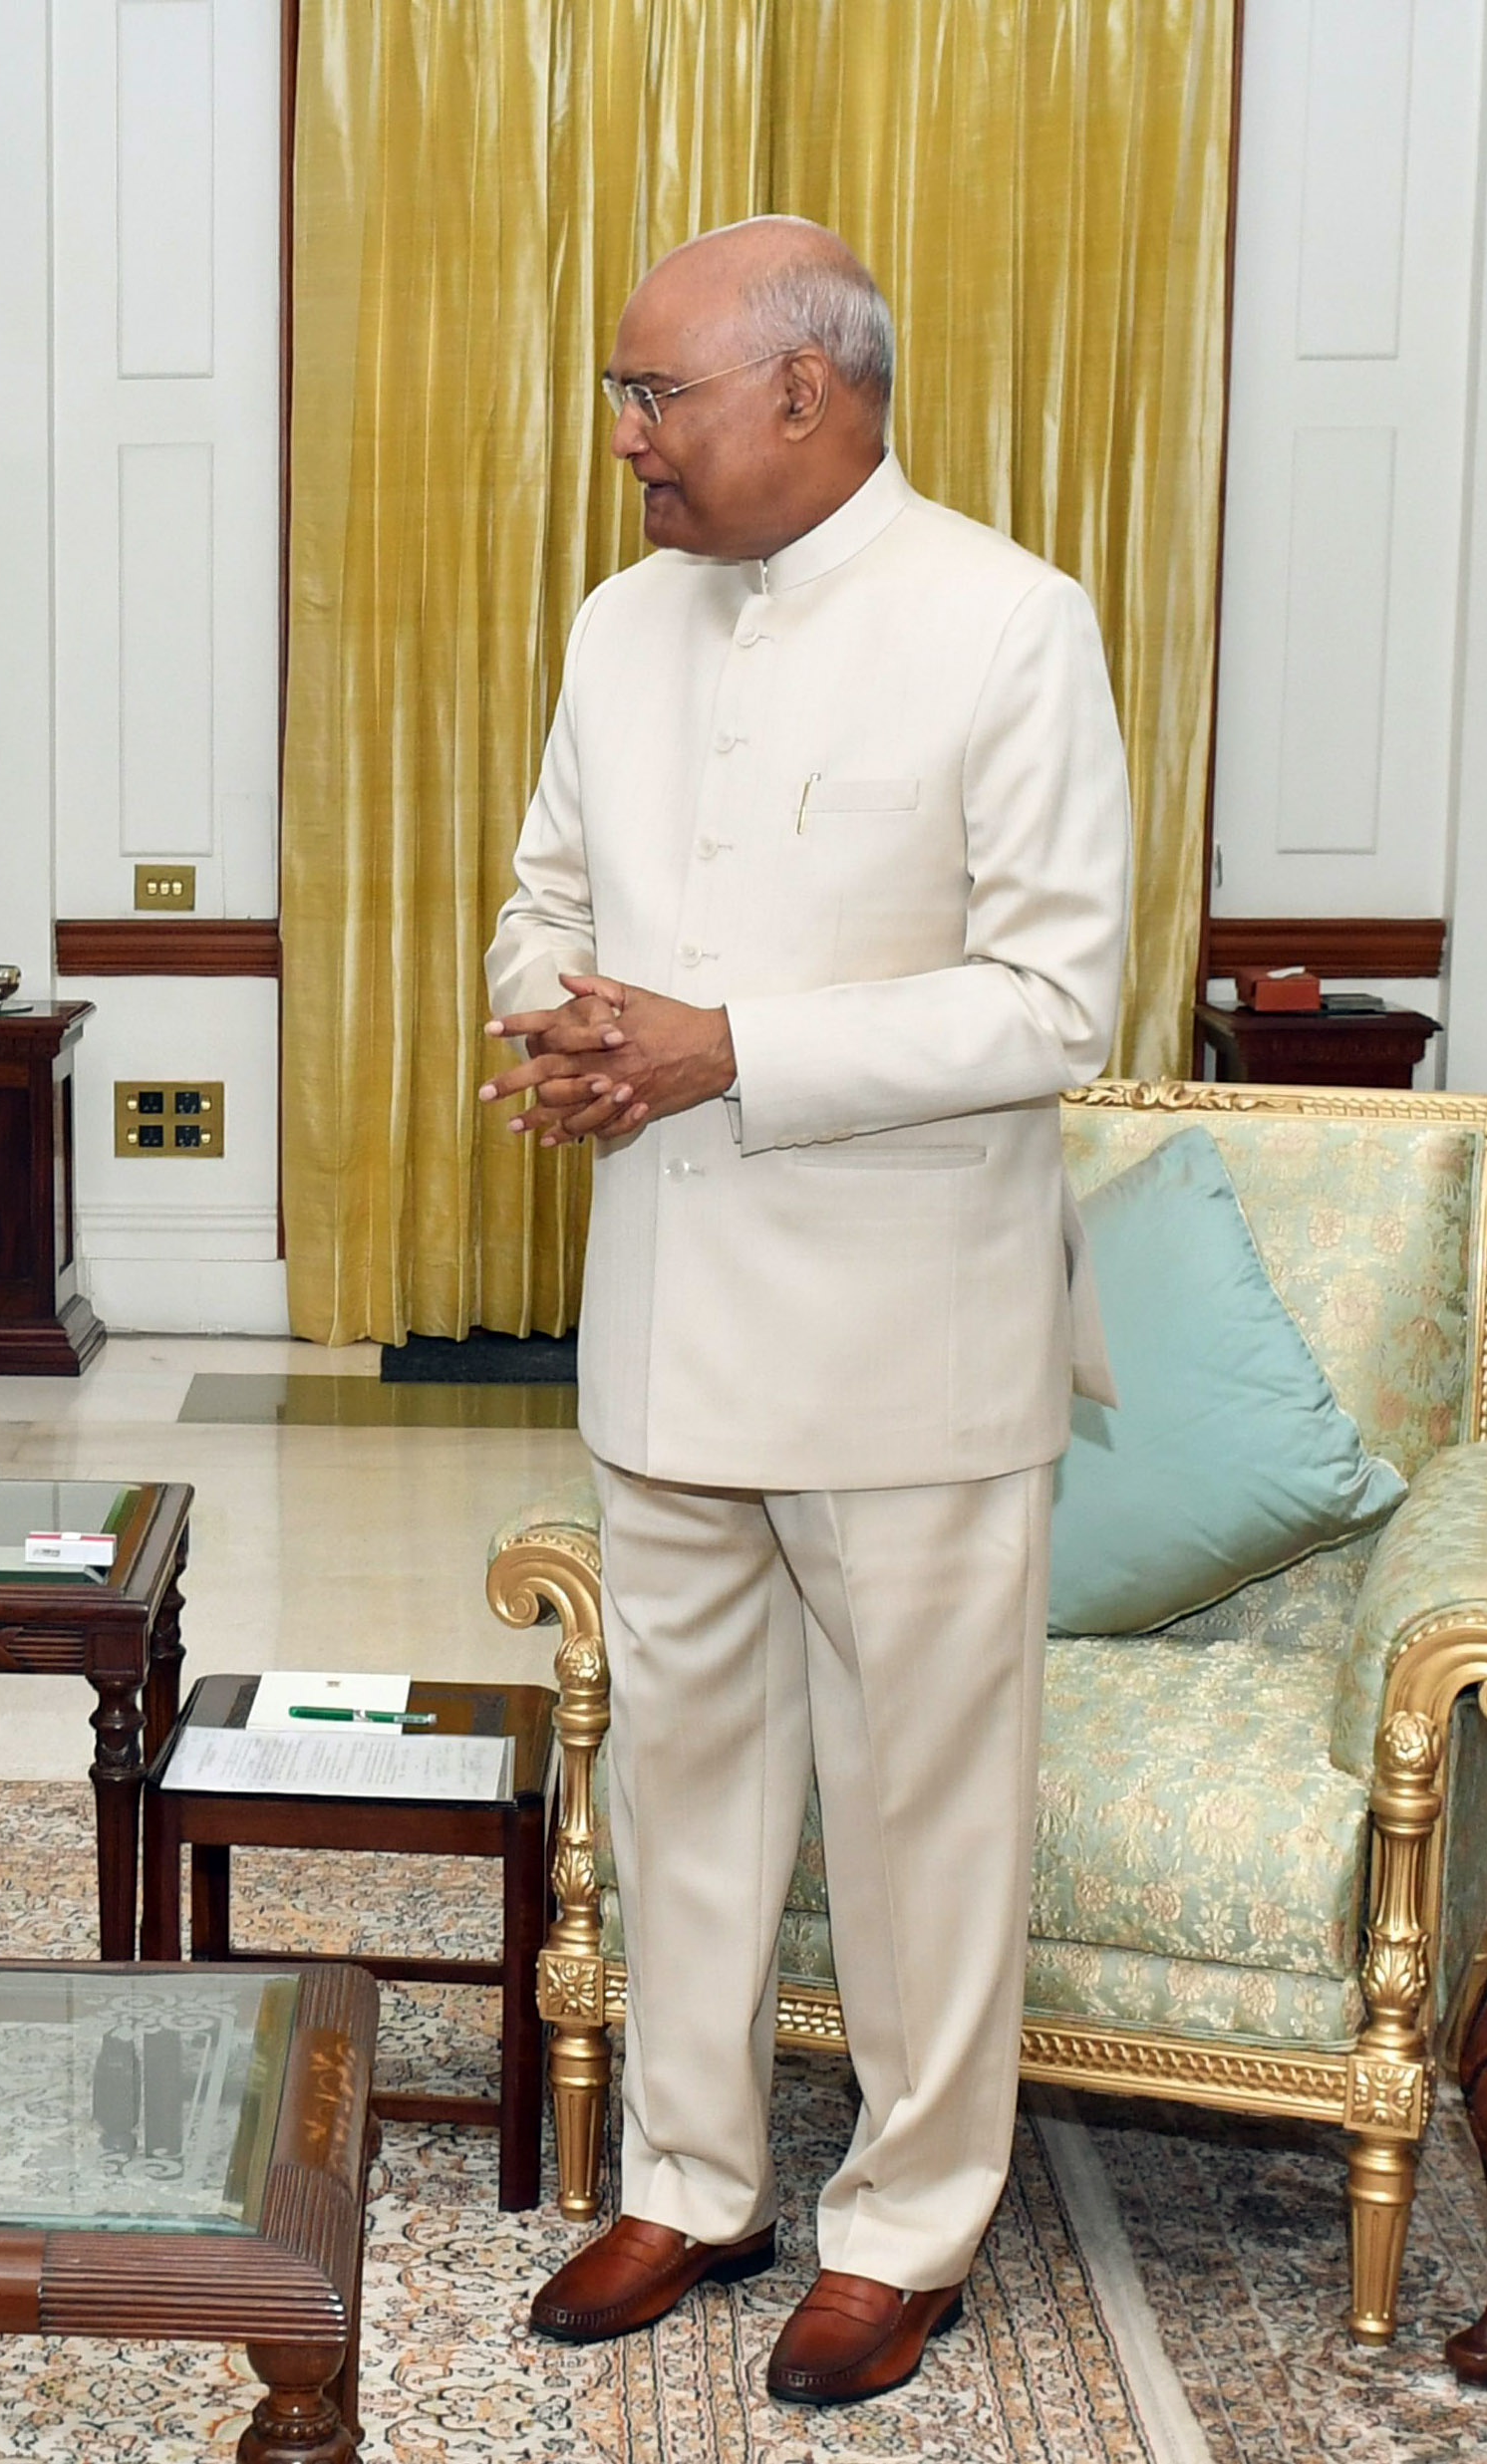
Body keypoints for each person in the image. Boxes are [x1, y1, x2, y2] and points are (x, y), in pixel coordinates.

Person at [479, 217, 1128, 2406]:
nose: (626, 438)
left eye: (651, 393)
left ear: (802, 390)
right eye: (621, 395)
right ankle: (689, 2176)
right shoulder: (616, 625)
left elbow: (1051, 998)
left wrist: (727, 1046)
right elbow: (541, 901)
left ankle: (906, 2222)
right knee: (681, 1787)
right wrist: (564, 1018)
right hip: (666, 1314)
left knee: (924, 1808)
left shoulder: (1005, 621)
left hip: (905, 1343)